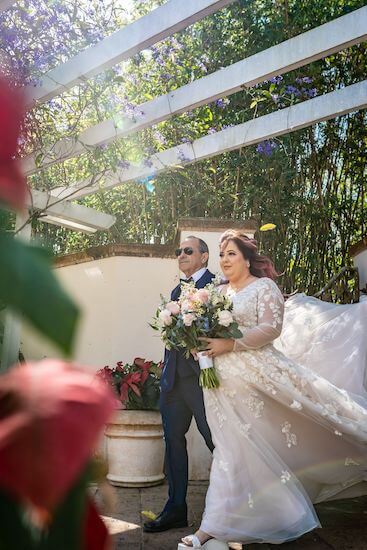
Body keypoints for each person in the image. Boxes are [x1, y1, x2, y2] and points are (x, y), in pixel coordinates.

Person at [181, 229, 367, 548]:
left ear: (248, 258)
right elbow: (203, 326)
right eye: (222, 254)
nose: (225, 260)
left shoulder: (264, 286)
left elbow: (271, 328)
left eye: (232, 254)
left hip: (258, 378)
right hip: (219, 383)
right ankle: (240, 520)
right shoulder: (215, 291)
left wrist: (231, 343)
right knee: (230, 449)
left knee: (271, 437)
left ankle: (212, 528)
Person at [144, 236, 215, 533]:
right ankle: (176, 509)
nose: (181, 255)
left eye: (188, 251)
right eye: (179, 252)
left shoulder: (217, 286)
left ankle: (233, 507)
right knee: (173, 442)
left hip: (202, 382)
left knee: (217, 443)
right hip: (173, 381)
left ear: (205, 256)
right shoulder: (177, 290)